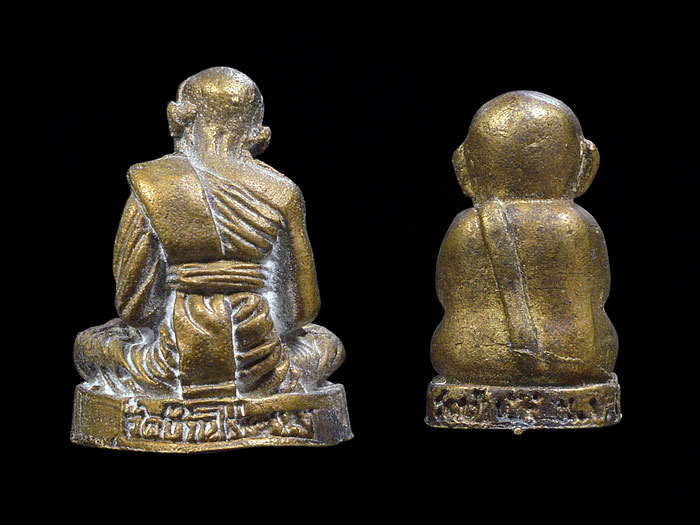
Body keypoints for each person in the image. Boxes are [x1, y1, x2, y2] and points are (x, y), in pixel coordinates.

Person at [74, 67, 344, 399]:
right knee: (326, 344)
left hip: (171, 359)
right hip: (260, 358)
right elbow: (303, 310)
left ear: (178, 118)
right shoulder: (283, 192)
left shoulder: (153, 185)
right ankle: (252, 393)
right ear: (258, 133)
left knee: (90, 344)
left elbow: (135, 309)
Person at [430, 91, 618, 388]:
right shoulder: (576, 224)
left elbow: (445, 292)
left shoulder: (466, 226)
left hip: (470, 357)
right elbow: (599, 293)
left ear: (463, 166)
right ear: (586, 165)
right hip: (576, 358)